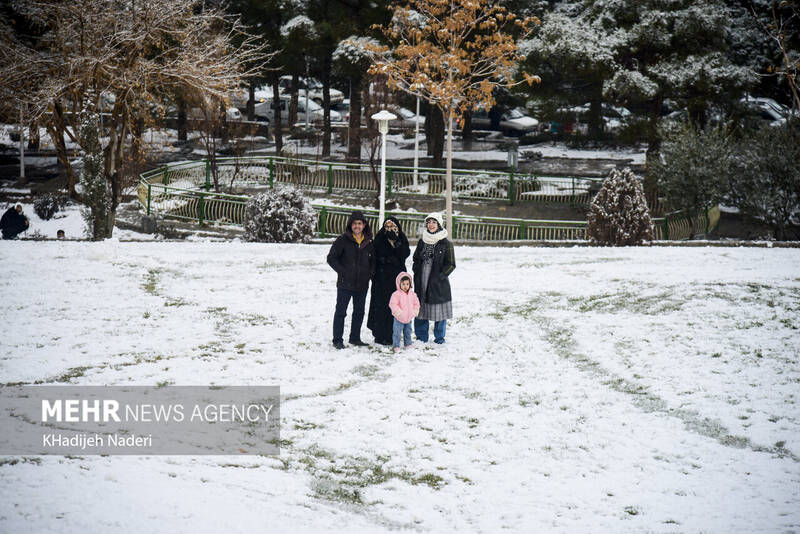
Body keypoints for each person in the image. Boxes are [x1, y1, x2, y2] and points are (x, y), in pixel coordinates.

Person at [327, 211, 375, 350]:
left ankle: (355, 338)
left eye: (359, 223)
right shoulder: (342, 240)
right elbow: (331, 258)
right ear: (350, 225)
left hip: (362, 284)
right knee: (341, 312)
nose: (357, 226)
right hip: (345, 284)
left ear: (364, 225)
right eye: (354, 223)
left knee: (359, 312)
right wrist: (343, 272)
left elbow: (373, 262)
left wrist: (369, 274)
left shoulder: (369, 242)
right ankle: (337, 340)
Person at [413, 213, 455, 344]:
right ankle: (421, 337)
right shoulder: (422, 241)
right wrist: (417, 271)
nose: (431, 225)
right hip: (422, 279)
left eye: (434, 222)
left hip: (438, 282)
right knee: (420, 307)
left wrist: (440, 276)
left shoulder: (446, 243)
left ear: (439, 224)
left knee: (439, 310)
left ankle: (439, 337)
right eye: (429, 222)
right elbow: (416, 259)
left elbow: (451, 264)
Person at [367, 217, 410, 345]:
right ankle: (379, 335)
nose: (389, 229)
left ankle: (393, 334)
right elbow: (374, 254)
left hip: (396, 279)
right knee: (380, 306)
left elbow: (405, 253)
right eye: (387, 226)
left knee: (395, 305)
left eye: (392, 226)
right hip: (381, 279)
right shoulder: (380, 237)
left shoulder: (401, 238)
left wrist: (395, 242)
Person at [389, 272, 420, 353]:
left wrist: (415, 310)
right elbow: (393, 304)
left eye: (407, 284)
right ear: (399, 284)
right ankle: (396, 345)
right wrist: (398, 311)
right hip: (399, 318)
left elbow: (416, 303)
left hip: (409, 318)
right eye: (403, 284)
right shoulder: (396, 294)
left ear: (410, 284)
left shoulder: (412, 294)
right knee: (397, 333)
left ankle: (408, 344)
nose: (405, 286)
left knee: (408, 332)